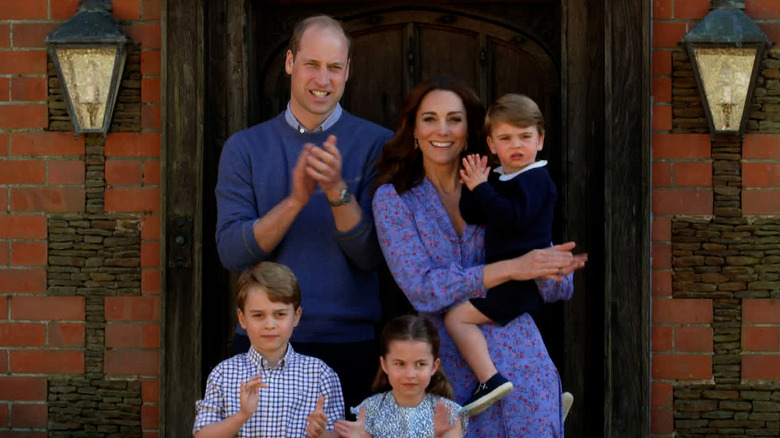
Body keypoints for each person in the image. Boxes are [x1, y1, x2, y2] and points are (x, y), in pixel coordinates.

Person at [371, 75, 586, 437]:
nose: (443, 129)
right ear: (414, 130)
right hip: (446, 374)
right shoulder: (394, 200)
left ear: (469, 130)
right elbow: (422, 289)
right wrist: (511, 269)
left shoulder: (503, 184)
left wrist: (556, 269)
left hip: (522, 362)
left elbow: (553, 284)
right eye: (430, 118)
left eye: (454, 119)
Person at [215, 14, 393, 414]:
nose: (323, 80)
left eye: (334, 68)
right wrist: (294, 200)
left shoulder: (378, 145)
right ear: (290, 62)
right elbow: (232, 253)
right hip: (263, 344)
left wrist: (336, 191)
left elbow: (371, 257)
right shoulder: (244, 148)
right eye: (312, 64)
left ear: (348, 70)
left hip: (350, 344)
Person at [444, 94, 558, 415]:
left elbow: (512, 218)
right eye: (506, 138)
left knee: (456, 317)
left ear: (541, 140)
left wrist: (483, 188)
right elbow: (476, 214)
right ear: (492, 145)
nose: (516, 145)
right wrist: (473, 185)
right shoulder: (500, 177)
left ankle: (489, 380)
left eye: (525, 137)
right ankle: (541, 399)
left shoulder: (536, 179)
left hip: (520, 282)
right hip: (504, 278)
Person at [193, 262, 343, 438]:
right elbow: (203, 434)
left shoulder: (320, 375)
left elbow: (339, 434)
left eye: (280, 314)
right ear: (242, 319)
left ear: (296, 316)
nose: (269, 325)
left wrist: (322, 433)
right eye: (258, 315)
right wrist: (242, 416)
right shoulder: (224, 374)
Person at [333, 315, 467, 438]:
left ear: (434, 366)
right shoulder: (370, 410)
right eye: (400, 363)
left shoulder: (448, 414)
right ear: (384, 364)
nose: (410, 374)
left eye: (420, 364)